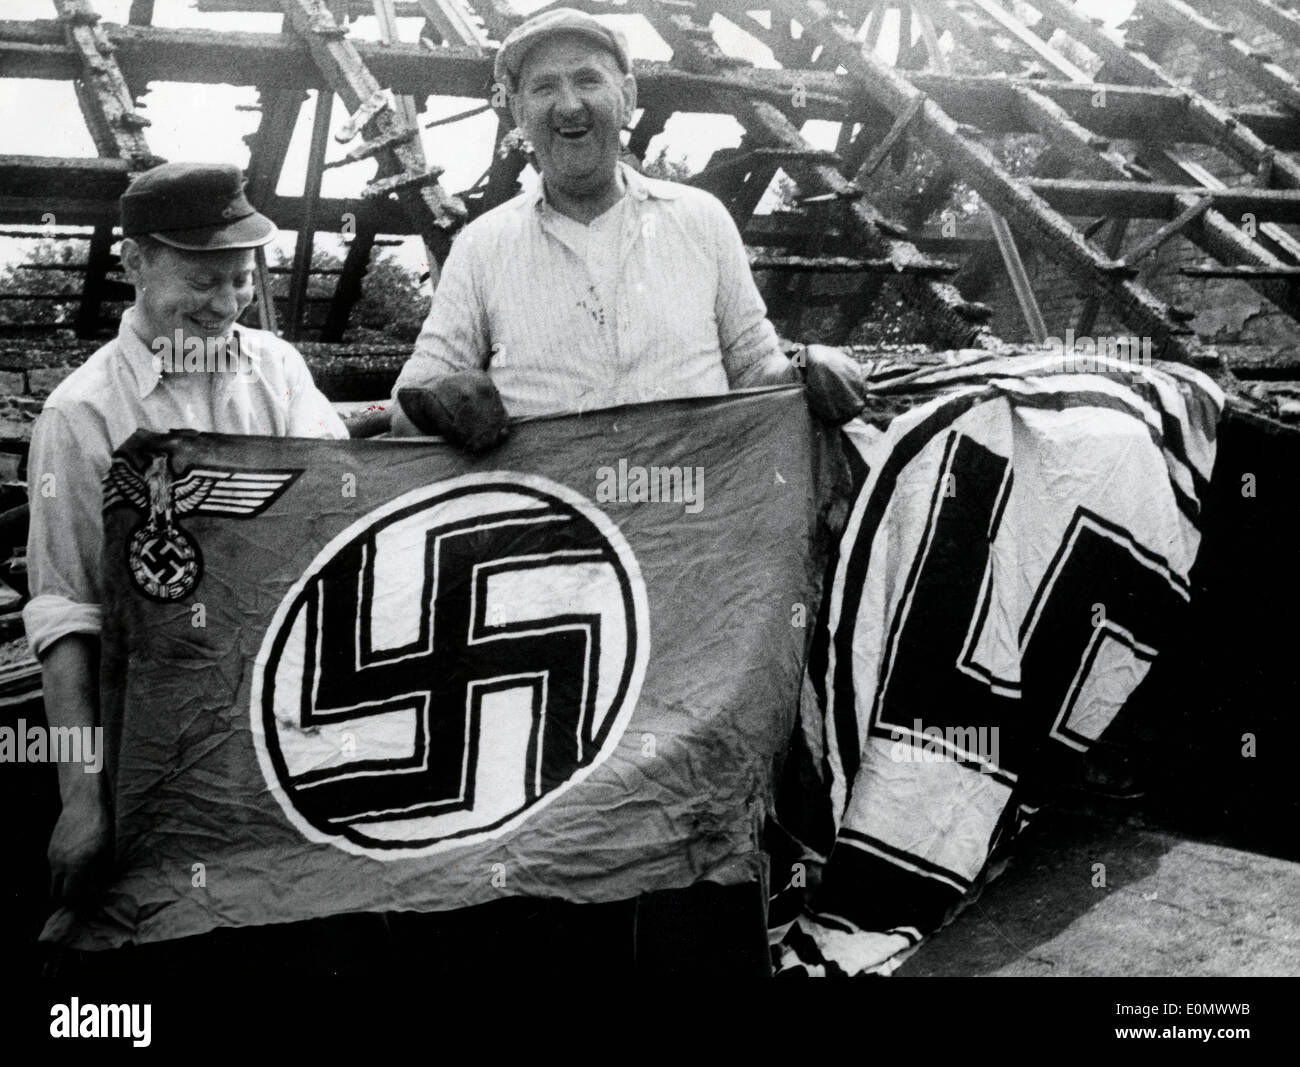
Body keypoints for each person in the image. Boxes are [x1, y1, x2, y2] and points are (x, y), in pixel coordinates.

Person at [23, 162, 348, 915]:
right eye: (203, 282)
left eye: (239, 279)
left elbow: (342, 507)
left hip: (289, 715)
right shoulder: (82, 415)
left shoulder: (280, 370)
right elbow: (66, 613)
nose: (227, 303)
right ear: (135, 262)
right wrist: (80, 798)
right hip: (162, 738)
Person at [390, 7, 866, 443]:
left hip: (697, 517)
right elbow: (404, 408)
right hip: (555, 527)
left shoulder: (701, 221)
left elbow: (757, 366)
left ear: (628, 98)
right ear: (518, 112)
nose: (569, 105)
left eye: (587, 80)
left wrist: (809, 361)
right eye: (543, 87)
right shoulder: (482, 247)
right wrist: (438, 403)